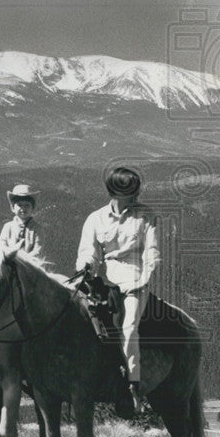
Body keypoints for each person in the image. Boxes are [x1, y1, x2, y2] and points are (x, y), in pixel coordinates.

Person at [76, 167, 159, 417]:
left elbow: (152, 253)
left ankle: (132, 386)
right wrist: (86, 266)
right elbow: (87, 251)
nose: (136, 196)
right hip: (106, 280)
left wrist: (142, 279)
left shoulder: (146, 216)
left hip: (135, 279)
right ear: (115, 192)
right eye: (131, 191)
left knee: (128, 328)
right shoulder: (95, 219)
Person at [0, 184, 44, 259]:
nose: (23, 208)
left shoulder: (37, 229)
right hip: (9, 262)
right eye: (19, 205)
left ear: (33, 208)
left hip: (29, 265)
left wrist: (23, 260)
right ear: (12, 208)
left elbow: (38, 250)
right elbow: (2, 246)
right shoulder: (8, 227)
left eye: (27, 205)